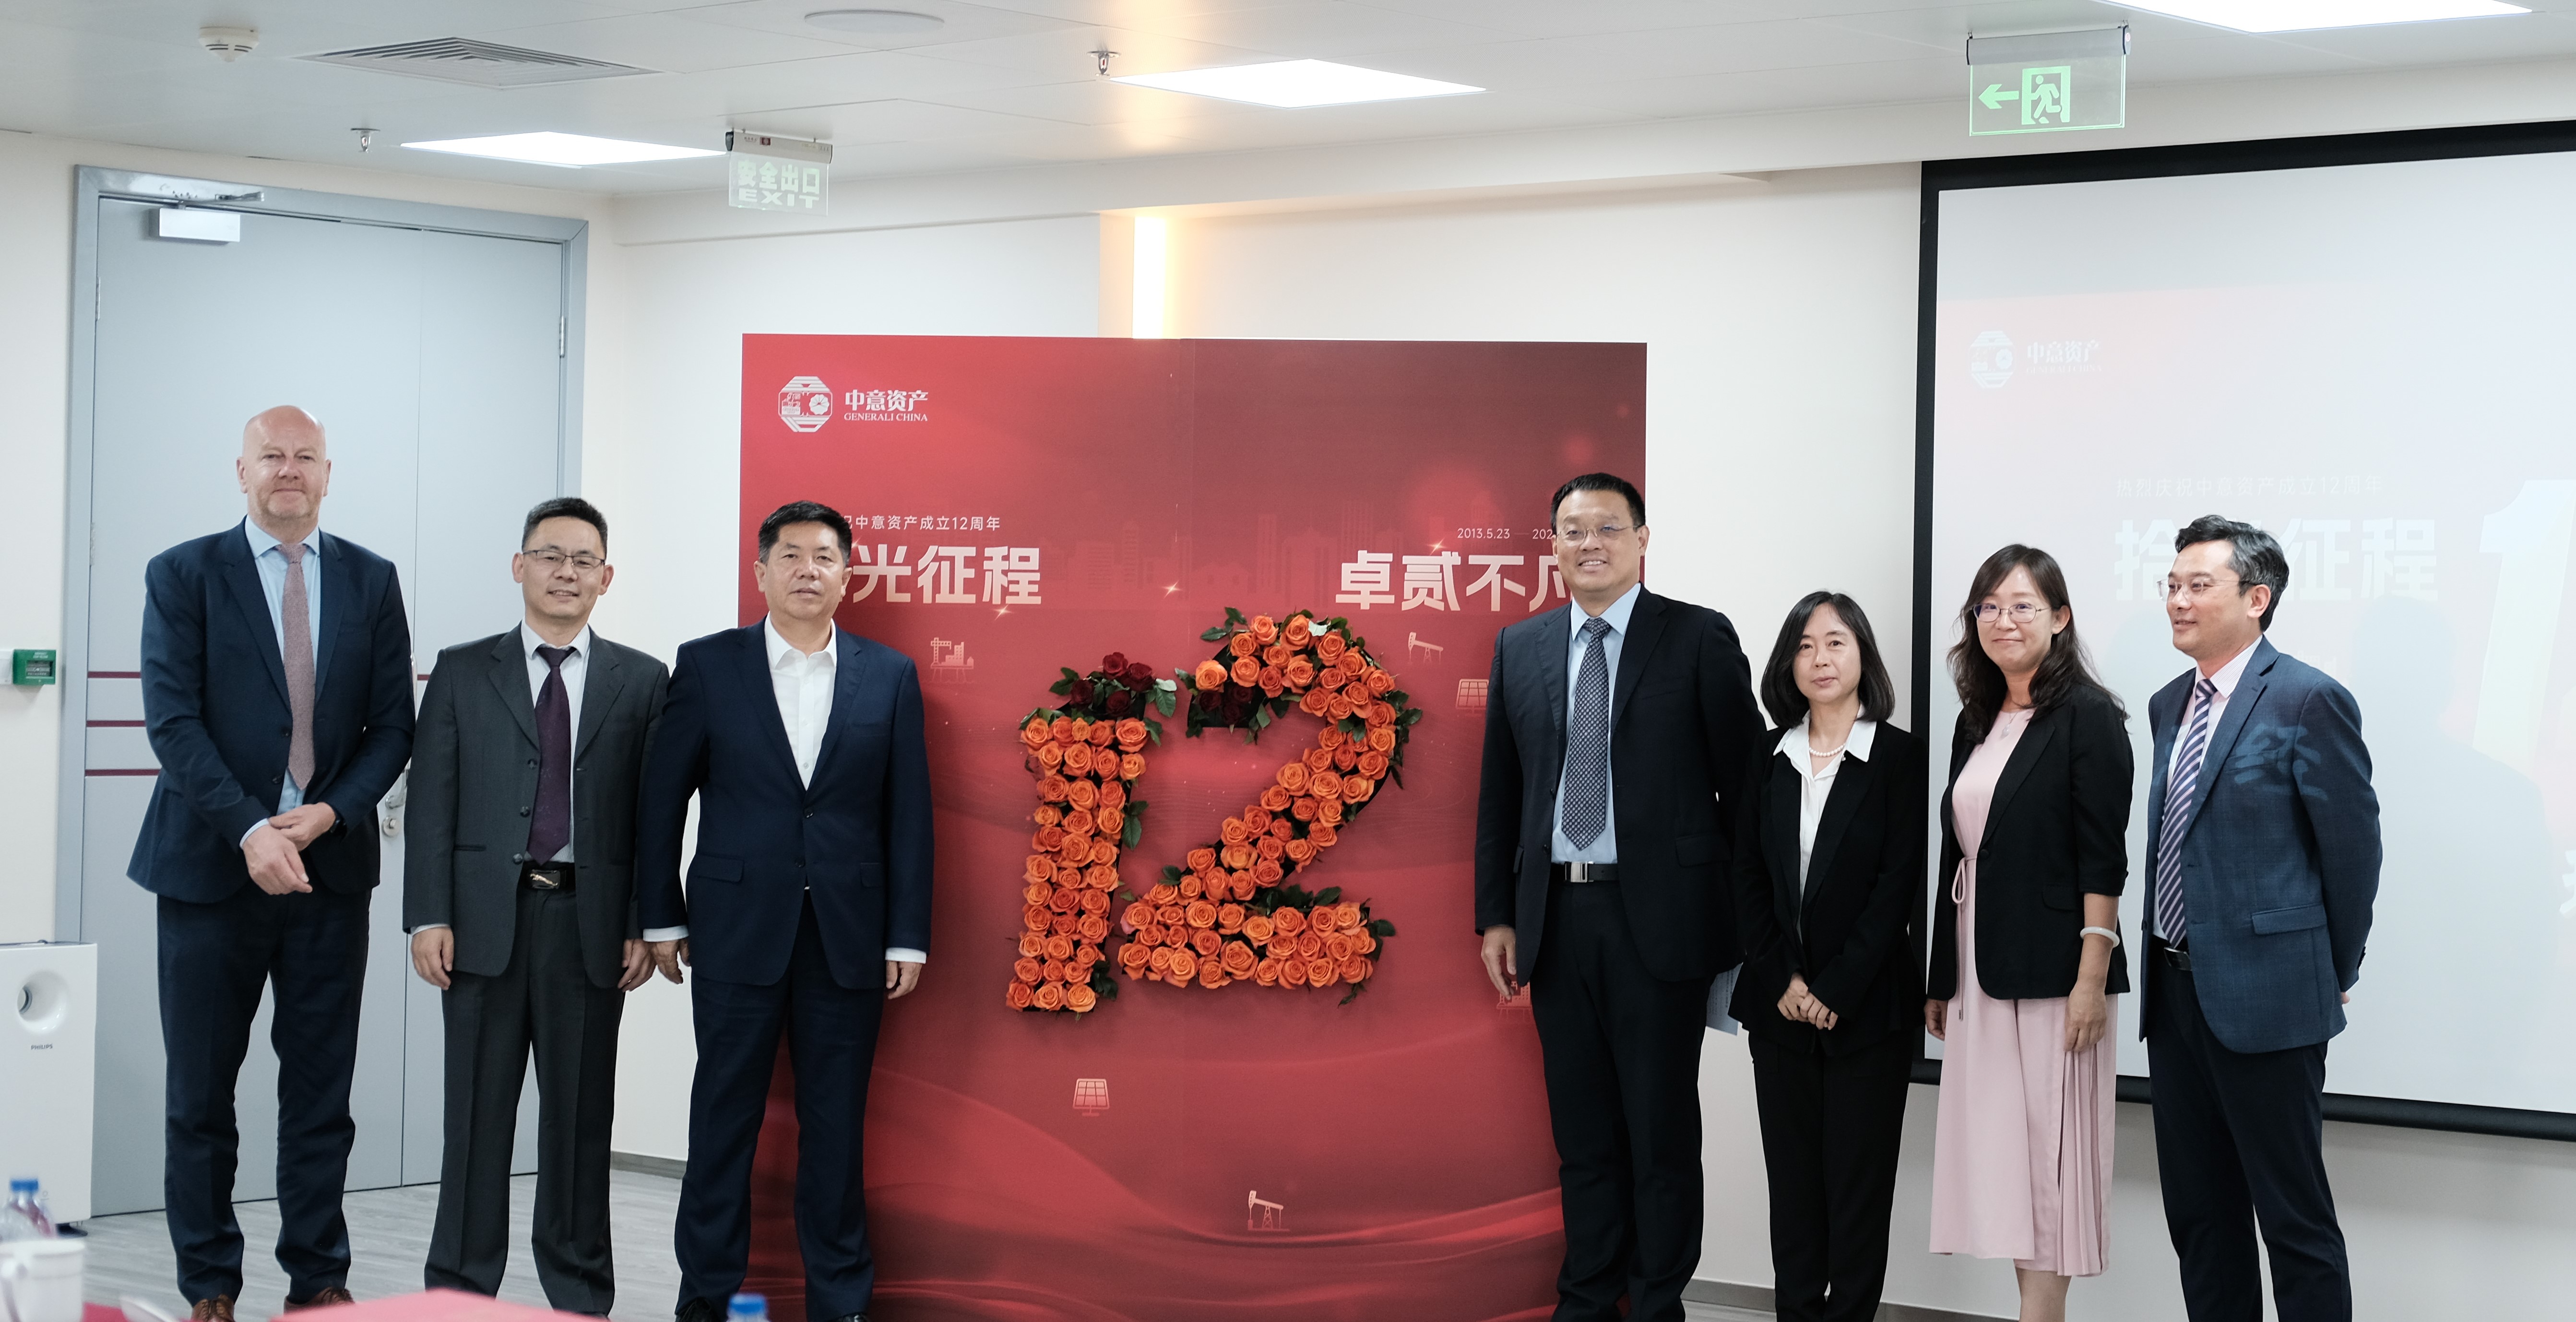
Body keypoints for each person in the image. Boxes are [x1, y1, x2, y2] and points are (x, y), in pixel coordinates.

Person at [129, 406, 415, 1321]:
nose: (289, 470)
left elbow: (392, 727)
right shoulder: (183, 574)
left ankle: (318, 1280)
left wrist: (331, 812)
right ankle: (210, 1284)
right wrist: (251, 829)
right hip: (212, 873)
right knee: (201, 1095)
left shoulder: (372, 579)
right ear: (241, 470)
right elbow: (173, 723)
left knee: (321, 1094)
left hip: (329, 875)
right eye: (272, 456)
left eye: (305, 457)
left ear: (328, 474)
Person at [1473, 472, 1763, 1322]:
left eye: (1607, 527)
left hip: (1661, 924)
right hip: (1556, 920)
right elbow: (1500, 793)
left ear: (1641, 539)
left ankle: (1658, 1302)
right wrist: (1497, 914)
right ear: (1554, 547)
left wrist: (1742, 922)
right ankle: (1588, 1298)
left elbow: (1746, 789)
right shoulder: (1520, 647)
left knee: (1659, 1132)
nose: (1589, 543)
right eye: (1572, 530)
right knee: (1584, 1135)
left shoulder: (1697, 636)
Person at [637, 500, 931, 1322]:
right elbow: (661, 802)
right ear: (761, 571)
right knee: (721, 1123)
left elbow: (908, 815)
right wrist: (661, 918)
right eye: (791, 555)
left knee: (835, 1131)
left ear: (847, 576)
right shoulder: (707, 665)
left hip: (848, 937)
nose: (809, 569)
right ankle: (706, 1301)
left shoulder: (889, 674)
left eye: (825, 556)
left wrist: (907, 934)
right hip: (733, 931)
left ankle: (840, 1303)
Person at [404, 497, 669, 1312]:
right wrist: (428, 914)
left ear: (606, 578)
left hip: (590, 927)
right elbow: (431, 802)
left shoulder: (642, 680)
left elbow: (653, 817)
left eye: (583, 560)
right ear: (518, 567)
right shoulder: (461, 670)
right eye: (550, 555)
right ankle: (458, 1291)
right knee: (474, 1121)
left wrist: (641, 920)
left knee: (581, 1125)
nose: (566, 572)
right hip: (482, 926)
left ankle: (579, 1293)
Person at [2143, 517, 2378, 1322]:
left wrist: (2330, 970)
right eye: (2171, 585)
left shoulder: (2308, 699)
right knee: (2202, 1221)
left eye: (2197, 585)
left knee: (2293, 1221)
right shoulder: (2168, 703)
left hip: (2272, 998)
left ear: (2256, 598)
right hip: (2174, 997)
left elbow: (2352, 854)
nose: (2177, 600)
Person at [1925, 545, 2131, 1322]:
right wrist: (1940, 977)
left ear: (2060, 618)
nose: (2003, 620)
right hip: (1980, 970)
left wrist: (2090, 980)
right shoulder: (1976, 719)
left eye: (2022, 606)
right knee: (2006, 1163)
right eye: (1988, 607)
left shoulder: (2088, 716)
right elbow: (1955, 853)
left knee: (2050, 1161)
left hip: (2054, 976)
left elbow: (2103, 860)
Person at [1728, 592, 1922, 1322]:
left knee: (1857, 1197)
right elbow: (1745, 873)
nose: (1820, 659)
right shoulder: (1766, 755)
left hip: (1866, 1013)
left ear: (1863, 655)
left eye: (1836, 643)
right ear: (1788, 663)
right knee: (1794, 1197)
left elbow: (1897, 888)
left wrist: (1834, 988)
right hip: (1778, 1011)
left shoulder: (1899, 757)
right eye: (1805, 646)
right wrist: (1783, 976)